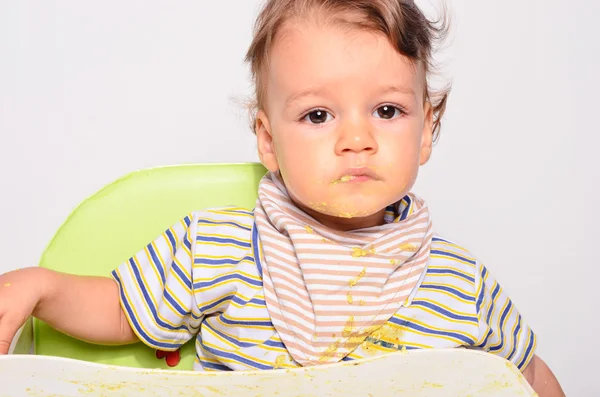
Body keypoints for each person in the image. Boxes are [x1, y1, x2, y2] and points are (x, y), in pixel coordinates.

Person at [0, 1, 564, 395]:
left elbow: (527, 378)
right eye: (318, 115)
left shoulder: (463, 284)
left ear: (425, 132)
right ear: (268, 140)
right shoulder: (218, 249)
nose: (357, 139)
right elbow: (123, 308)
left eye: (387, 110)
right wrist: (42, 288)